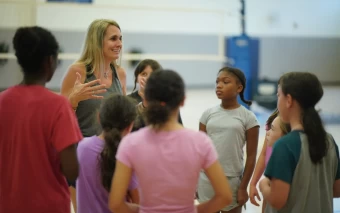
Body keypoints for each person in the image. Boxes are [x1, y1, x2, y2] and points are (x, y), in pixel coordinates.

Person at [108, 70, 232, 213]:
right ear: (183, 100)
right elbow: (225, 196)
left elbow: (116, 204)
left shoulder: (130, 143)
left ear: (146, 99)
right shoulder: (200, 142)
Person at [0, 26, 81, 213]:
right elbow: (71, 170)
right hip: (49, 206)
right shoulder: (58, 105)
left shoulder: (1, 102)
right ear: (49, 61)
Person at [60, 19, 125, 211]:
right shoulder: (77, 71)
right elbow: (60, 118)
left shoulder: (120, 73)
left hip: (110, 154)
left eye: (121, 38)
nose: (119, 43)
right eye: (113, 38)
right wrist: (73, 99)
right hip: (81, 155)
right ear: (97, 42)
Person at [259, 72, 340, 213]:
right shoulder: (329, 141)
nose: (277, 102)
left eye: (278, 96)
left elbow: (277, 200)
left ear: (289, 100)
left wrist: (263, 185)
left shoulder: (284, 146)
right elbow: (337, 190)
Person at [197, 66, 260, 213]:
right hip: (206, 179)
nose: (219, 85)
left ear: (239, 88)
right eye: (217, 82)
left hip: (232, 181)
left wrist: (243, 187)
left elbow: (251, 157)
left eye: (225, 82)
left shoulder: (248, 118)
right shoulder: (207, 114)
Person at [76, 94, 138, 213]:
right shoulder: (128, 156)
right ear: (130, 126)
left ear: (99, 117)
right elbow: (139, 203)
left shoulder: (82, 147)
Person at [249, 112, 290, 212]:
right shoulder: (274, 121)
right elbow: (264, 154)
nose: (268, 133)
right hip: (271, 181)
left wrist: (262, 184)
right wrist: (253, 183)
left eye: (280, 95)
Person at [127, 59, 183, 131]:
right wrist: (144, 105)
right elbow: (129, 129)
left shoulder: (168, 100)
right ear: (137, 78)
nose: (148, 78)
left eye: (153, 75)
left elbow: (178, 128)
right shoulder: (128, 101)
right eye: (144, 74)